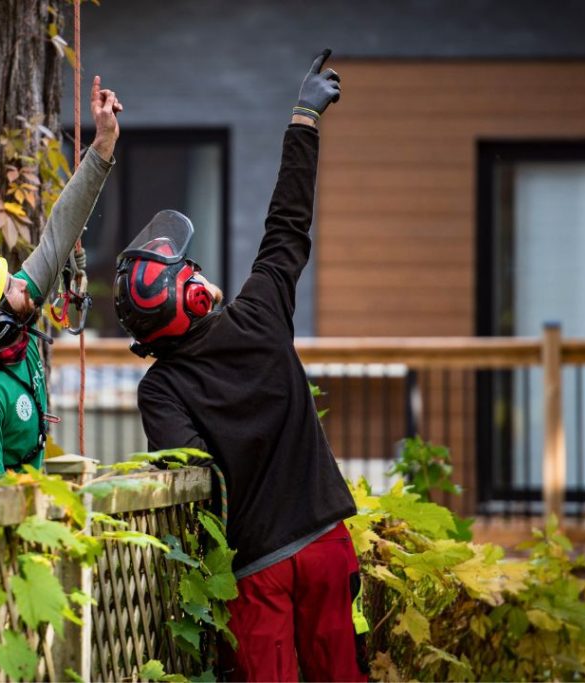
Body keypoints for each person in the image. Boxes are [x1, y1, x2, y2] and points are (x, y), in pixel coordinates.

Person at [113, 51, 367, 681]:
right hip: (326, 546)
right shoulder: (260, 313)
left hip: (256, 571)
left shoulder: (162, 388)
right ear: (192, 292)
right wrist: (304, 118)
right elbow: (288, 226)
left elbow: (192, 476)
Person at [0, 76, 121, 490]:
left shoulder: (14, 323)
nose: (22, 284)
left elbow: (61, 228)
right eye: (9, 287)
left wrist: (103, 143)